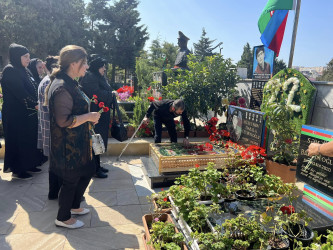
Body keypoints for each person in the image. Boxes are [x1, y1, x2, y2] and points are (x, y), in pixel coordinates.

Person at [46, 45, 100, 229]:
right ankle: (63, 217)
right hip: (67, 147)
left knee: (88, 170)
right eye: (84, 63)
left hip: (79, 143)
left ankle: (75, 206)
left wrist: (88, 119)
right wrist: (89, 117)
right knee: (70, 180)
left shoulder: (70, 82)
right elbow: (63, 121)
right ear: (74, 63)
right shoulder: (61, 87)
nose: (86, 67)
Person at [0, 43, 43, 180]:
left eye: (29, 56)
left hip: (28, 113)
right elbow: (20, 92)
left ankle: (29, 164)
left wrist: (38, 101)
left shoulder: (25, 70)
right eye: (25, 56)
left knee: (29, 139)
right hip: (15, 114)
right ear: (17, 56)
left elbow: (33, 87)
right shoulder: (10, 70)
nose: (28, 59)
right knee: (19, 140)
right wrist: (34, 104)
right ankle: (18, 169)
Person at [81, 55, 117, 178]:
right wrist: (111, 94)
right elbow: (96, 93)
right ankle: (94, 169)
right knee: (95, 141)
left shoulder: (97, 76)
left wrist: (110, 94)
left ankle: (97, 165)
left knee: (98, 141)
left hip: (100, 114)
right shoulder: (90, 77)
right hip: (94, 115)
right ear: (97, 67)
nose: (104, 69)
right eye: (102, 67)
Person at [37, 55, 61, 199]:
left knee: (54, 165)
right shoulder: (49, 82)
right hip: (53, 130)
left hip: (51, 129)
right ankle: (56, 193)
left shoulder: (47, 81)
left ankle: (53, 193)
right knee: (57, 165)